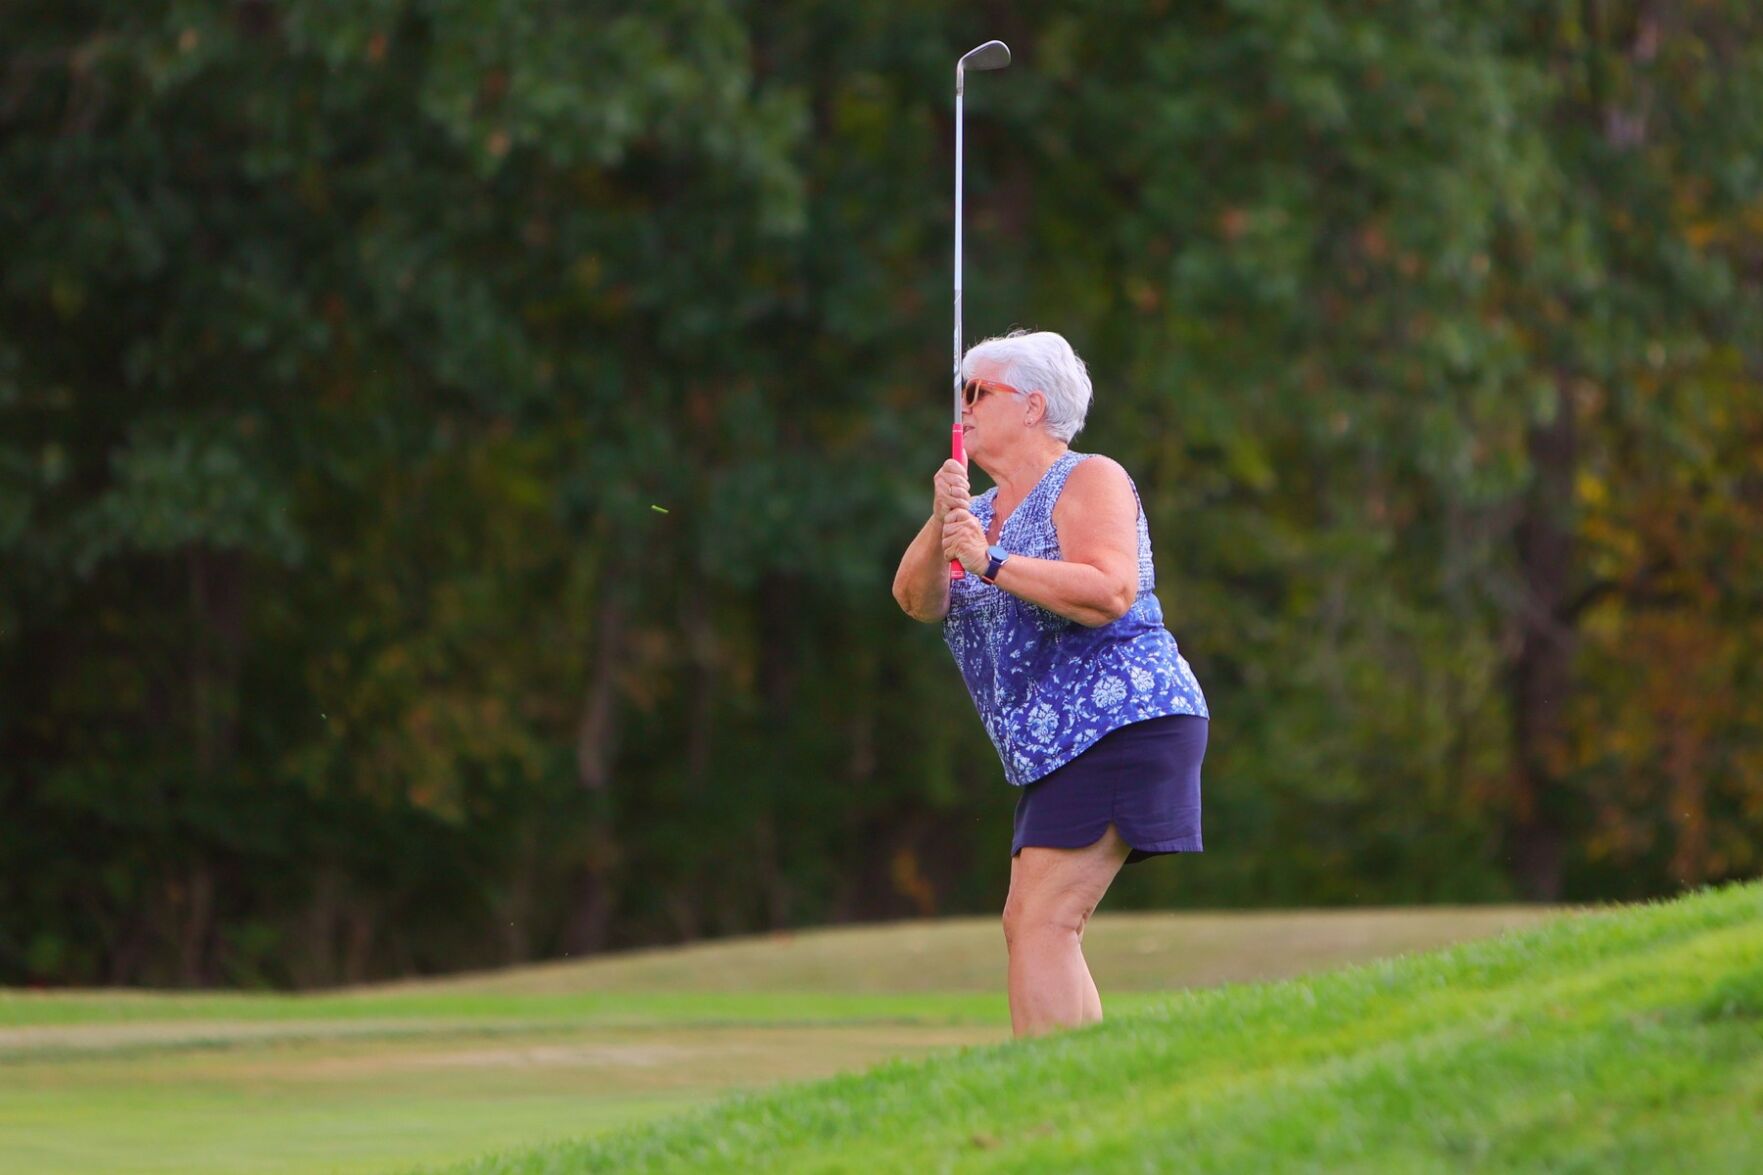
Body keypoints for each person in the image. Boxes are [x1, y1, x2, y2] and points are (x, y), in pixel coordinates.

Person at [891, 329, 1209, 1038]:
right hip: (1058, 747)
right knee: (1032, 920)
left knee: (1043, 919)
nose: (962, 406)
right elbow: (916, 599)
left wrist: (991, 562)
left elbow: (1109, 589)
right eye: (960, 392)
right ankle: (1080, 1074)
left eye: (978, 391)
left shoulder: (1088, 478)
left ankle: (1062, 1082)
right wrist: (944, 519)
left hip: (1122, 719)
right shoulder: (975, 515)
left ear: (1033, 406)